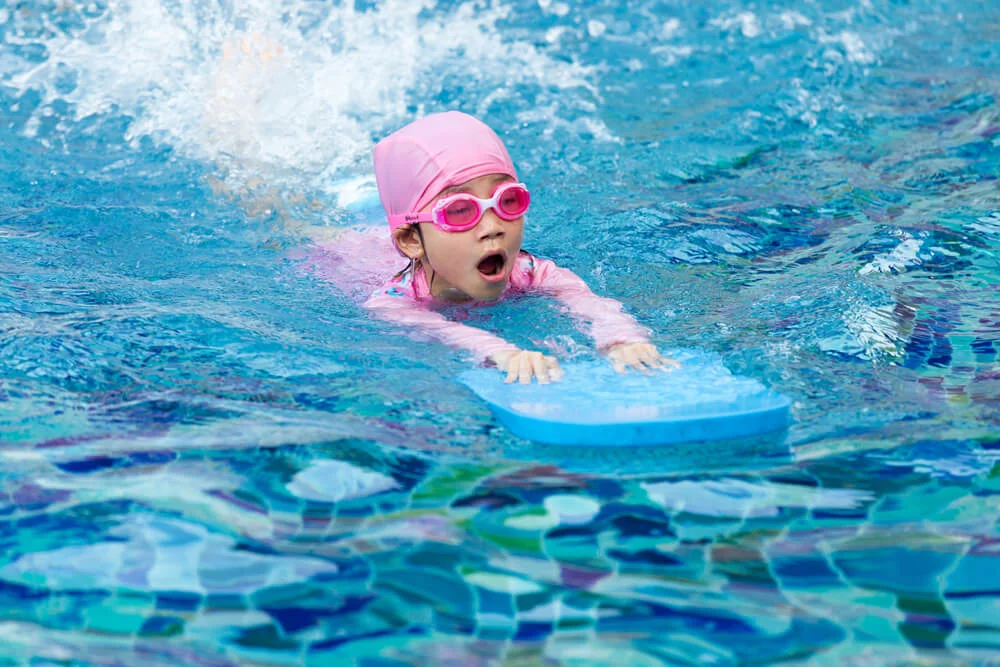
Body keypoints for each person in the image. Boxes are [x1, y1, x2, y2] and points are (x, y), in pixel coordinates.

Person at [366, 111, 677, 384]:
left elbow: (585, 300)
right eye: (460, 211)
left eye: (507, 201)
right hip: (359, 252)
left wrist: (620, 338)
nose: (492, 228)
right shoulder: (394, 303)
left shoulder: (530, 272)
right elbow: (442, 332)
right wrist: (500, 352)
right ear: (411, 240)